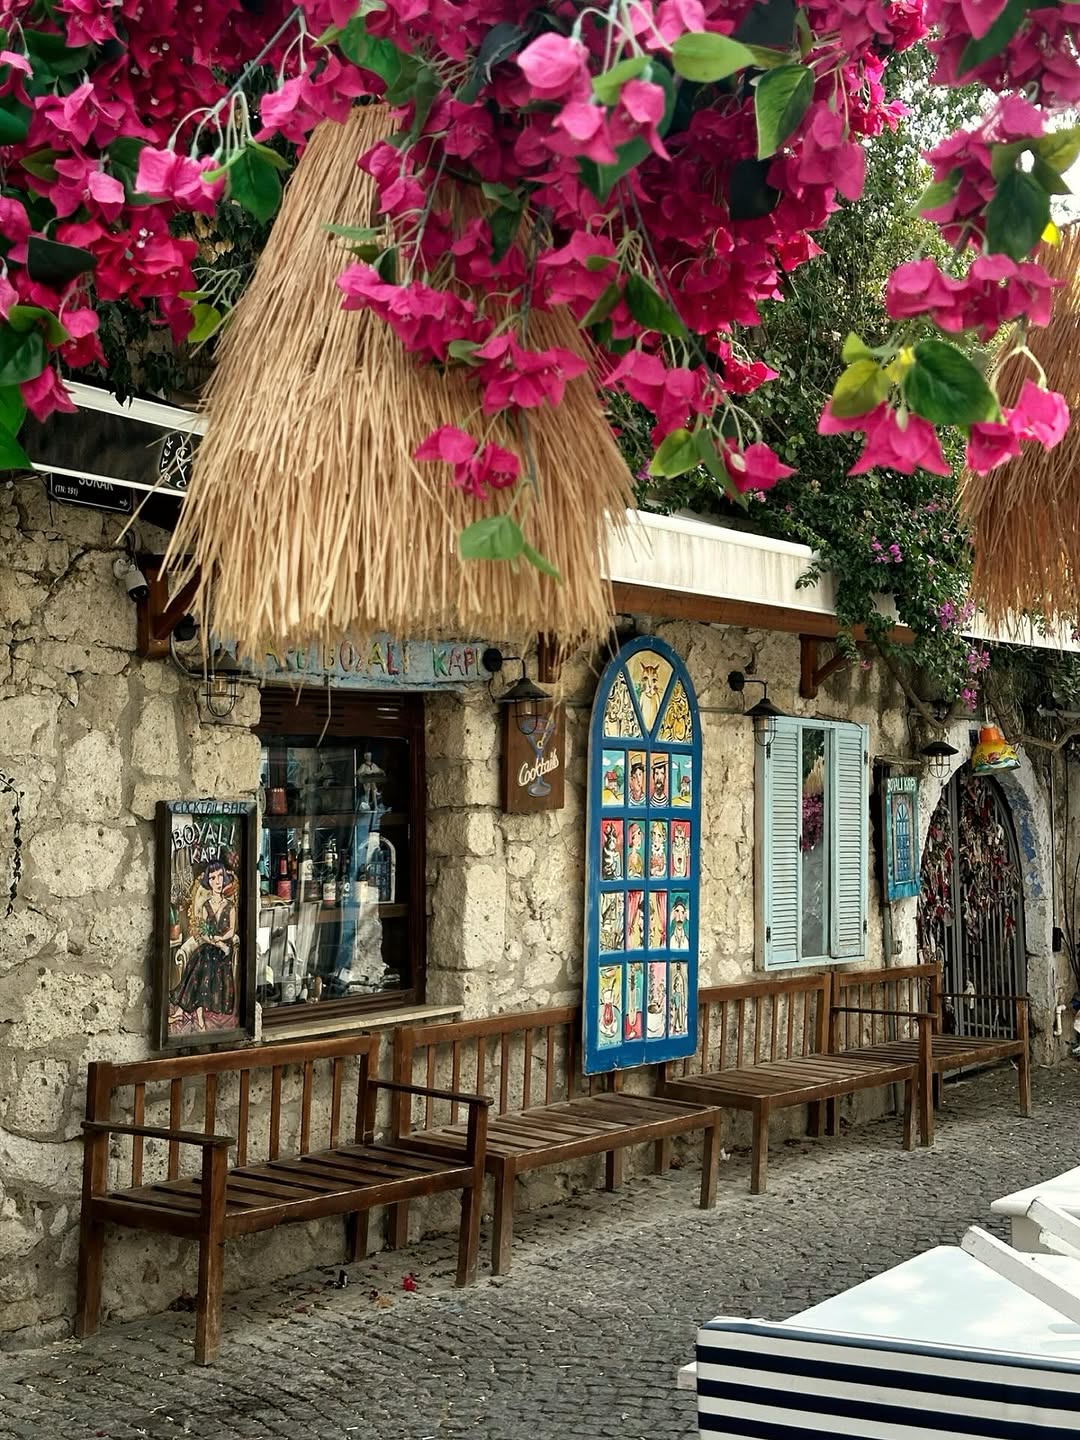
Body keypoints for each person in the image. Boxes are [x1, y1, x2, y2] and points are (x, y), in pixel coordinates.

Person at [171, 859, 237, 1031]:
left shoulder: (230, 906)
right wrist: (215, 941)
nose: (217, 881)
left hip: (224, 950)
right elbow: (203, 932)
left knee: (204, 964)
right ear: (209, 882)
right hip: (211, 947)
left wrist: (221, 941)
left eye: (220, 876)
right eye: (213, 878)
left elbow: (231, 931)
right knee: (199, 960)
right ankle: (195, 1015)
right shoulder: (206, 906)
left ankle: (182, 1010)